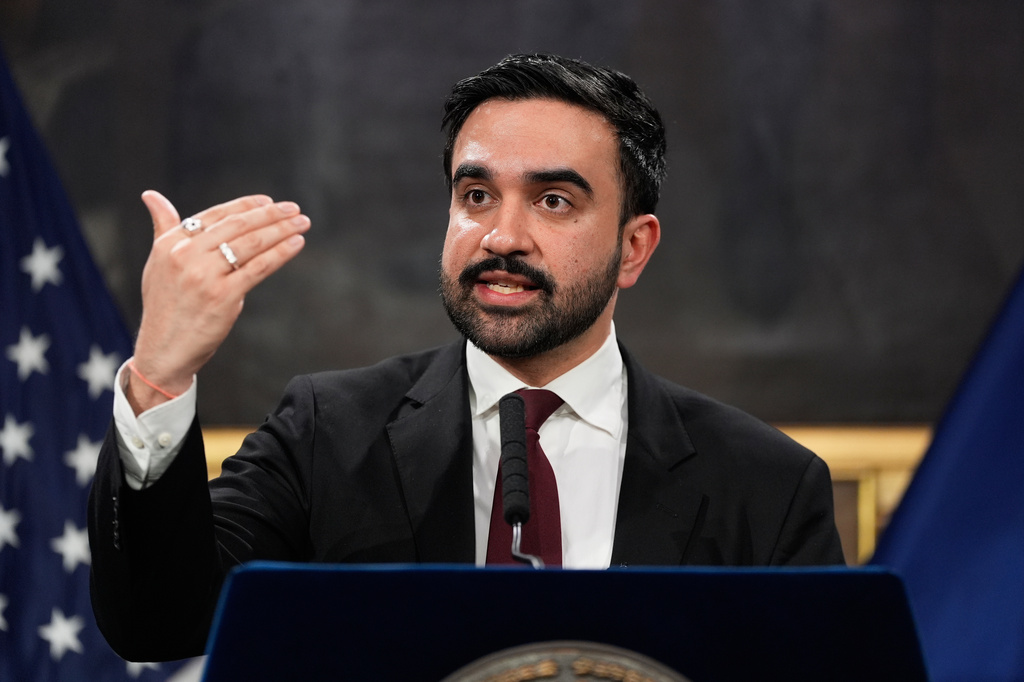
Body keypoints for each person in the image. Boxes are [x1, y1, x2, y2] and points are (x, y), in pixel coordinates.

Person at [88, 53, 845, 662]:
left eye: (553, 201)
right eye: (476, 195)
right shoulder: (328, 434)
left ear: (633, 246)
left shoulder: (765, 486)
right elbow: (158, 626)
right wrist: (162, 372)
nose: (502, 237)